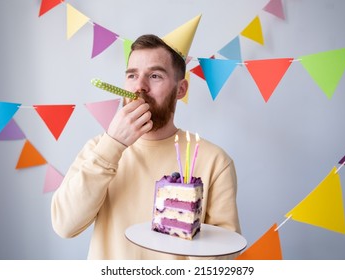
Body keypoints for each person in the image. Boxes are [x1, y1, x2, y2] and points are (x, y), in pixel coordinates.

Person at [51, 17, 241, 260]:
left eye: (155, 76)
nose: (139, 87)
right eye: (132, 75)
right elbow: (65, 226)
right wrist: (113, 145)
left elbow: (223, 259)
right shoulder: (99, 149)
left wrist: (183, 219)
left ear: (180, 89)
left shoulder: (214, 161)